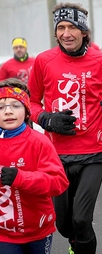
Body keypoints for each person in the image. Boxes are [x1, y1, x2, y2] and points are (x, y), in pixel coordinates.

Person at [28, 2, 102, 254]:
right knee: (64, 224)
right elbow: (31, 101)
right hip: (55, 154)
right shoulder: (43, 61)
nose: (66, 33)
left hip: (93, 150)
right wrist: (46, 119)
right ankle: (75, 243)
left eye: (72, 27)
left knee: (82, 220)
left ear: (84, 32)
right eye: (61, 27)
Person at [0, 78, 69, 254]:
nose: (8, 111)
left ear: (27, 110)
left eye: (15, 105)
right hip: (4, 235)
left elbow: (59, 182)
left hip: (38, 230)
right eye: (1, 107)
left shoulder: (39, 142)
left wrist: (20, 178)